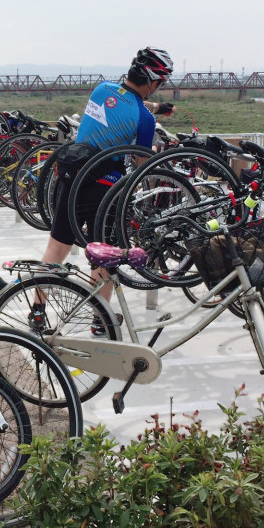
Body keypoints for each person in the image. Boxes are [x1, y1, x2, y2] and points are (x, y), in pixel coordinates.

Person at [32, 47, 173, 331]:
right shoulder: (143, 119)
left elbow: (119, 104)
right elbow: (142, 159)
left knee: (57, 247)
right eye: (160, 83)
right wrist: (156, 148)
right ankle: (99, 319)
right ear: (152, 81)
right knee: (105, 254)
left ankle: (37, 310)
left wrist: (156, 109)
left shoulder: (101, 89)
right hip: (105, 189)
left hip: (71, 175)